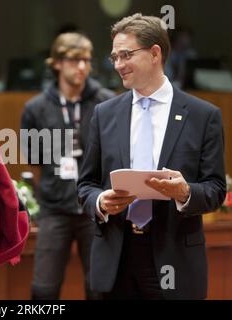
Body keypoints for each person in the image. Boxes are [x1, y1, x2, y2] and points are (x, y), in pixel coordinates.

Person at [77, 13, 226, 300]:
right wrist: (101, 202)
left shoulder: (202, 116)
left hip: (174, 258)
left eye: (126, 55)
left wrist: (184, 192)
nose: (118, 65)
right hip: (116, 259)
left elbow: (216, 189)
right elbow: (85, 186)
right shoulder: (104, 114)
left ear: (155, 53)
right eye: (114, 57)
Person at [21, 32, 115, 300]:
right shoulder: (35, 108)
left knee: (99, 288)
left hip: (96, 205)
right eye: (75, 60)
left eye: (86, 60)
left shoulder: (106, 102)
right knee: (44, 288)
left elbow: (114, 152)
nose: (83, 67)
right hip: (54, 207)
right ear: (58, 63)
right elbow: (34, 157)